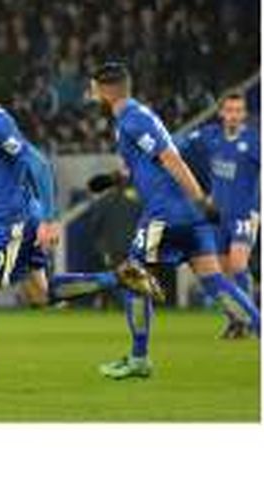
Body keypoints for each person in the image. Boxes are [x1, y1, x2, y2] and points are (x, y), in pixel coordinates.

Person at [0, 57, 162, 397]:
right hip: (17, 218)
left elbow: (38, 163)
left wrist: (49, 219)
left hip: (14, 223)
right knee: (39, 294)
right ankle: (120, 278)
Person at [87, 62, 260, 380]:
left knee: (132, 277)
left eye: (94, 86)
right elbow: (151, 162)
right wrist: (114, 178)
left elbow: (171, 159)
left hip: (166, 213)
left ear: (106, 90)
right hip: (187, 215)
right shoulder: (134, 116)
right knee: (214, 279)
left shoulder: (133, 119)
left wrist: (201, 199)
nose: (91, 92)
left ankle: (139, 359)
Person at [176, 92, 260, 338]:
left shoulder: (254, 141)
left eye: (238, 111)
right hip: (217, 217)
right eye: (229, 110)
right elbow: (179, 145)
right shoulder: (209, 136)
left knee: (238, 265)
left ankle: (252, 321)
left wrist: (259, 211)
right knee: (221, 274)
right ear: (222, 113)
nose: (233, 115)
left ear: (244, 114)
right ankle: (236, 321)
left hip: (244, 216)